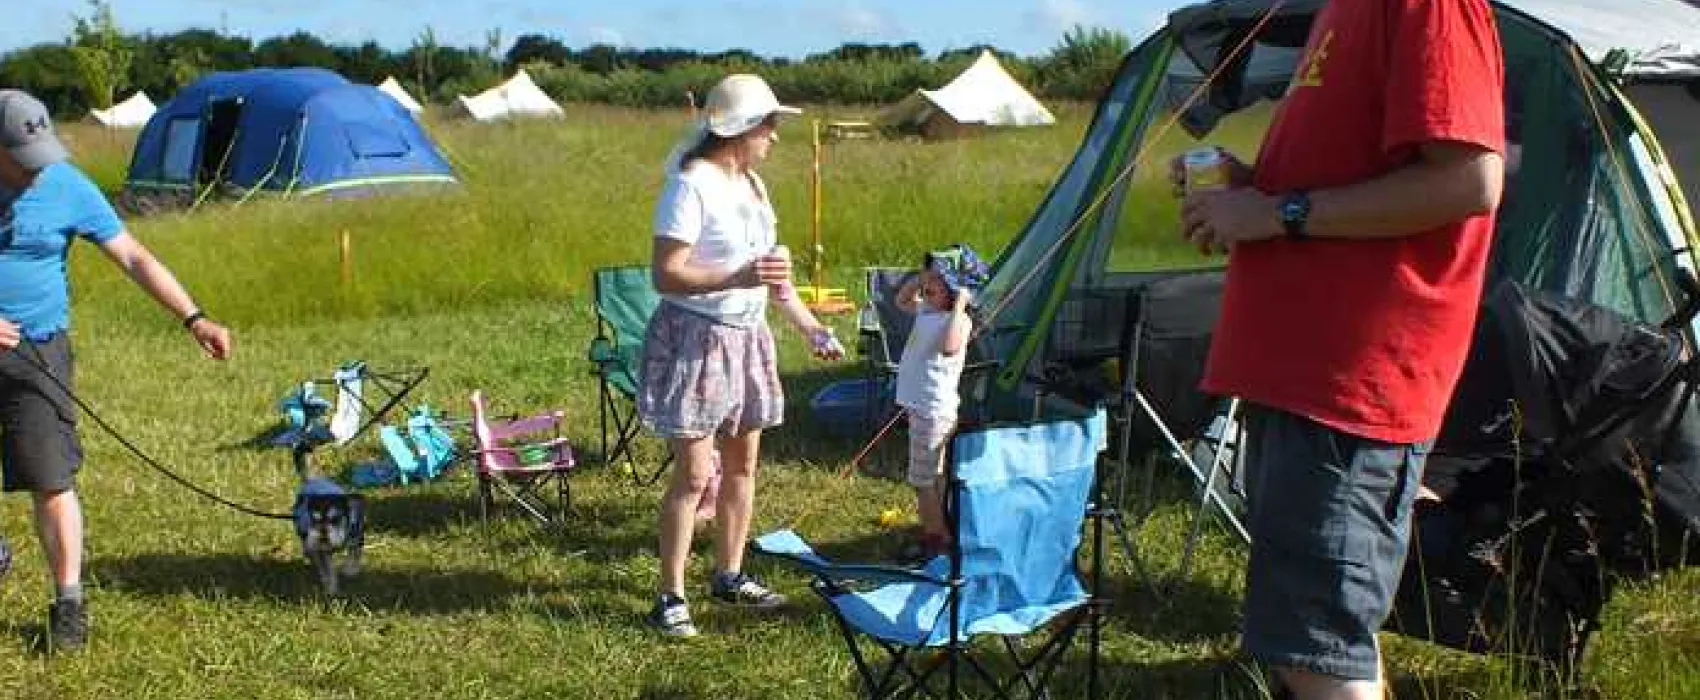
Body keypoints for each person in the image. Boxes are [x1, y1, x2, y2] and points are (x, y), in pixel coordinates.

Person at [1173, 1, 1505, 698]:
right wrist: (1252, 188)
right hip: (1301, 375)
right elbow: (1347, 179)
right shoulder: (1340, 11)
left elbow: (1470, 179)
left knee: (1319, 654)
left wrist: (1275, 213)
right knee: (1316, 647)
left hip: (1349, 382)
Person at [0, 89, 234, 652]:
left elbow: (133, 256)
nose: (36, 171)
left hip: (36, 353)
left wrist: (193, 317)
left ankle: (69, 603)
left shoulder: (66, 184)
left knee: (52, 478)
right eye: (21, 159)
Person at [638, 74, 843, 638]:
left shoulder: (753, 185)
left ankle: (728, 573)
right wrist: (737, 274)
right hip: (697, 340)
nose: (775, 137)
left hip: (748, 338)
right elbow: (666, 274)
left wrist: (809, 327)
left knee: (744, 466)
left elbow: (774, 278)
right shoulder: (690, 185)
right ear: (741, 129)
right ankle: (670, 595)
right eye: (769, 125)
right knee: (695, 474)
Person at [892, 244, 985, 560]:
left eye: (939, 281)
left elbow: (950, 347)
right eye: (929, 277)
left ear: (957, 291)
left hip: (933, 411)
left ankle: (936, 537)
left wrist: (959, 307)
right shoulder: (928, 311)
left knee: (922, 480)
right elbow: (901, 300)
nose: (929, 284)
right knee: (936, 476)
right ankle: (942, 529)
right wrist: (920, 280)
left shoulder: (956, 321)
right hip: (922, 409)